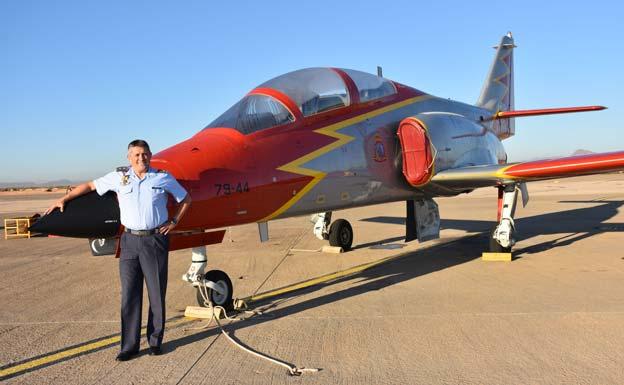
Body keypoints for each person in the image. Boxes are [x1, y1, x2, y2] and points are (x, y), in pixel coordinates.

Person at [45, 139, 192, 361]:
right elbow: (90, 186)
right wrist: (64, 198)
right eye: (136, 155)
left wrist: (174, 221)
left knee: (156, 294)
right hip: (129, 241)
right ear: (128, 157)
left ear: (150, 155)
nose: (140, 158)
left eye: (144, 154)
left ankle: (154, 342)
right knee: (130, 296)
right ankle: (129, 346)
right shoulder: (119, 177)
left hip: (155, 240)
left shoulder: (162, 177)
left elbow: (186, 199)